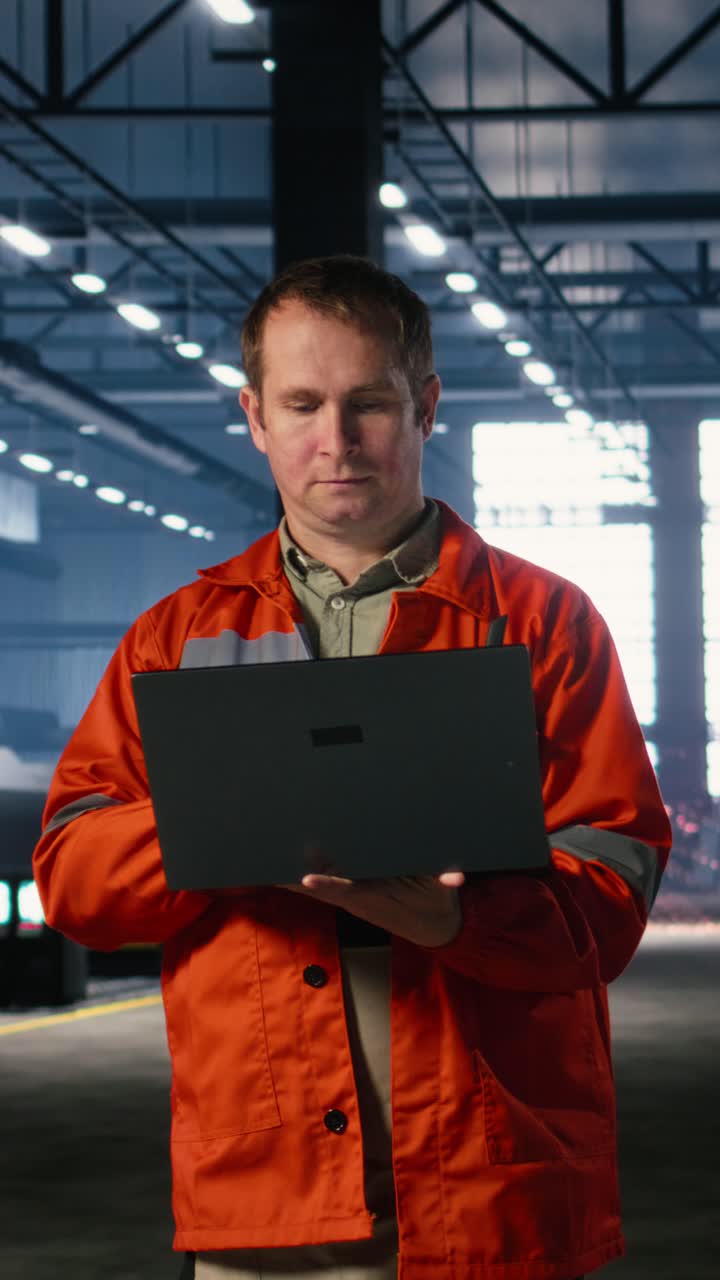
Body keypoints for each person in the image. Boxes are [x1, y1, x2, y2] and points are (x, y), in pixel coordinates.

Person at [33, 255, 672, 1280]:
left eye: (368, 402)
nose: (335, 440)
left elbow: (613, 880)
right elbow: (71, 875)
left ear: (425, 405)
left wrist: (456, 919)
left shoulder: (543, 624)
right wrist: (225, 811)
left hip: (495, 1181)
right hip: (266, 1179)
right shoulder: (175, 638)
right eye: (302, 403)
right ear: (255, 416)